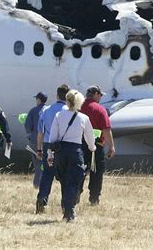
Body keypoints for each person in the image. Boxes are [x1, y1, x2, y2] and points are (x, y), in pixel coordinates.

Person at [49, 89, 96, 222]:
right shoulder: (83, 118)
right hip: (75, 151)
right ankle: (70, 210)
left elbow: (52, 137)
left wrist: (50, 154)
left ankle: (66, 208)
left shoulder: (58, 115)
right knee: (73, 181)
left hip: (60, 151)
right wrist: (93, 148)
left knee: (64, 180)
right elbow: (89, 138)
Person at [78, 85, 116, 205]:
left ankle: (75, 194)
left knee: (79, 170)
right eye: (100, 95)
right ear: (95, 94)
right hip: (96, 146)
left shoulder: (78, 108)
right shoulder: (100, 109)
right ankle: (94, 198)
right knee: (96, 172)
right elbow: (106, 129)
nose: (100, 97)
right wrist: (111, 146)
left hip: (79, 145)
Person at [35, 84, 69, 214]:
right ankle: (65, 204)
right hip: (64, 146)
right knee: (65, 176)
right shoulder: (69, 111)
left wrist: (39, 149)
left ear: (56, 95)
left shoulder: (46, 110)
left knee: (47, 175)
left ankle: (42, 199)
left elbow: (40, 132)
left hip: (48, 144)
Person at [24, 92, 48, 189]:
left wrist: (30, 135)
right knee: (46, 163)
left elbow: (28, 126)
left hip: (34, 141)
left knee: (38, 164)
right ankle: (44, 183)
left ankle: (37, 184)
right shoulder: (49, 110)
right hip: (47, 141)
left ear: (38, 100)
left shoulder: (33, 111)